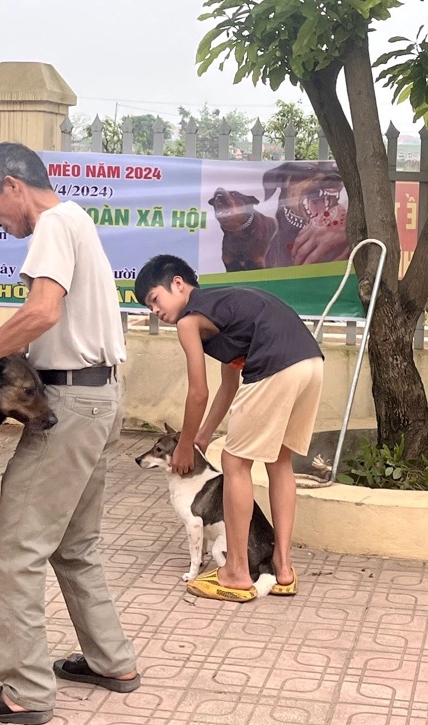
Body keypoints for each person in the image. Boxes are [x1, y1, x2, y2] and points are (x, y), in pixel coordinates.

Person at [0, 143, 139, 725]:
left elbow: (43, 311)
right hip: (100, 398)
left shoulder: (52, 222)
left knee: (13, 553)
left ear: (14, 184)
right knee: (76, 546)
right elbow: (45, 324)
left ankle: (25, 692)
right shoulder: (79, 221)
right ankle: (110, 661)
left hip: (69, 405)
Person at [134, 254, 324, 602]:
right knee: (280, 462)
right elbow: (228, 385)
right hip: (309, 362)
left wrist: (185, 444)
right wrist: (202, 437)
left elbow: (198, 392)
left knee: (236, 464)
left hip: (276, 366)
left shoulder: (189, 321)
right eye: (149, 307)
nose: (155, 312)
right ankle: (283, 569)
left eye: (155, 300)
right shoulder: (222, 308)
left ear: (178, 283)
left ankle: (236, 572)